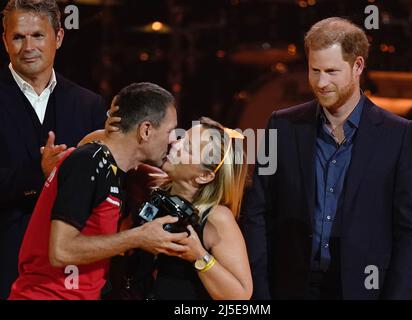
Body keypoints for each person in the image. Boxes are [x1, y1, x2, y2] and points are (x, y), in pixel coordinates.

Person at [242, 17, 412, 299]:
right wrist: (260, 293)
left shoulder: (398, 135)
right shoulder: (280, 125)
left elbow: (410, 231)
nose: (321, 82)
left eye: (331, 71)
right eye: (314, 70)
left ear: (358, 66)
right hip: (292, 289)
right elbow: (257, 211)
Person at [8, 82, 189, 300]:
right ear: (146, 130)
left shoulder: (110, 168)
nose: (173, 139)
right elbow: (61, 251)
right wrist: (138, 237)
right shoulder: (88, 164)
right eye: (170, 131)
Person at [0, 0, 107, 298]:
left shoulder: (89, 105)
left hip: (74, 273)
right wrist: (40, 174)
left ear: (58, 37)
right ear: (5, 40)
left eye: (38, 35)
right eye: (18, 37)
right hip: (8, 268)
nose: (28, 46)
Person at [148, 117, 253, 300]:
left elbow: (241, 295)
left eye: (187, 148)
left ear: (204, 176)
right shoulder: (152, 187)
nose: (175, 144)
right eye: (182, 138)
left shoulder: (216, 217)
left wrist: (199, 256)